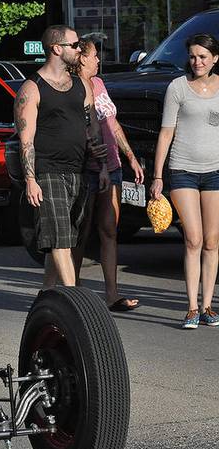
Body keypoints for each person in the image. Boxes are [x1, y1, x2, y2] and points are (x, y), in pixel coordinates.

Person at [14, 25, 108, 287]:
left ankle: (47, 296)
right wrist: (31, 179)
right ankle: (75, 298)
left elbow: (91, 126)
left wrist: (99, 164)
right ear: (57, 49)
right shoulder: (32, 89)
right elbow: (26, 139)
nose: (80, 49)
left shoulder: (82, 85)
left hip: (78, 171)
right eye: (75, 45)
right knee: (60, 241)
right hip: (47, 172)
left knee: (67, 238)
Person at [69, 38, 144, 311]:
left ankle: (111, 294)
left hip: (111, 167)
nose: (99, 60)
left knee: (109, 229)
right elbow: (86, 130)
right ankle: (73, 292)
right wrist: (97, 163)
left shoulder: (99, 84)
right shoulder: (74, 87)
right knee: (80, 231)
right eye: (95, 56)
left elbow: (111, 123)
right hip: (87, 168)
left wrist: (130, 156)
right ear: (82, 58)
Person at [151, 33, 219, 329]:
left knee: (213, 240)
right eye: (193, 56)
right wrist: (157, 175)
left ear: (215, 58)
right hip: (183, 170)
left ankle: (208, 306)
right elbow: (166, 133)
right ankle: (191, 307)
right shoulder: (177, 87)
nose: (197, 61)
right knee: (193, 238)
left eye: (203, 56)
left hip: (216, 170)